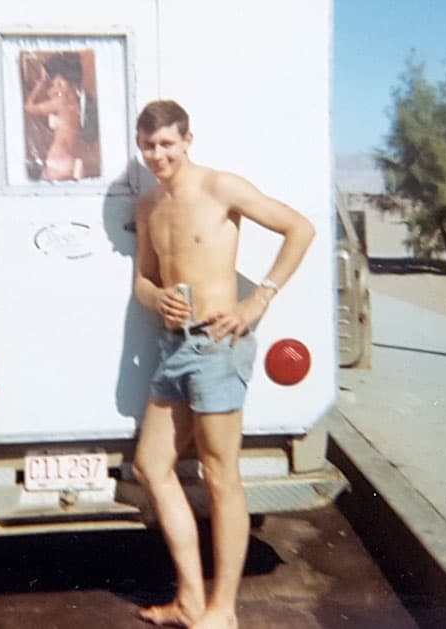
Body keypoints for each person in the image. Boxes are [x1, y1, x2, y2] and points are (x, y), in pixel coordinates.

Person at [131, 100, 315, 629]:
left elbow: (299, 228)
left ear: (188, 140)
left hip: (216, 346)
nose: (158, 155)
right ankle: (190, 600)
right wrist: (156, 297)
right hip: (172, 349)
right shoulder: (148, 206)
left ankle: (223, 610)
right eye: (149, 146)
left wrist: (257, 301)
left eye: (167, 144)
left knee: (219, 475)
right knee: (151, 464)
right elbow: (142, 280)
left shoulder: (220, 187)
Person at [24, 52, 86, 181]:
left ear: (66, 82)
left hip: (57, 160)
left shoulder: (60, 103)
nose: (55, 86)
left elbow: (29, 108)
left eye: (58, 81)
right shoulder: (77, 104)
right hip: (70, 161)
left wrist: (40, 82)